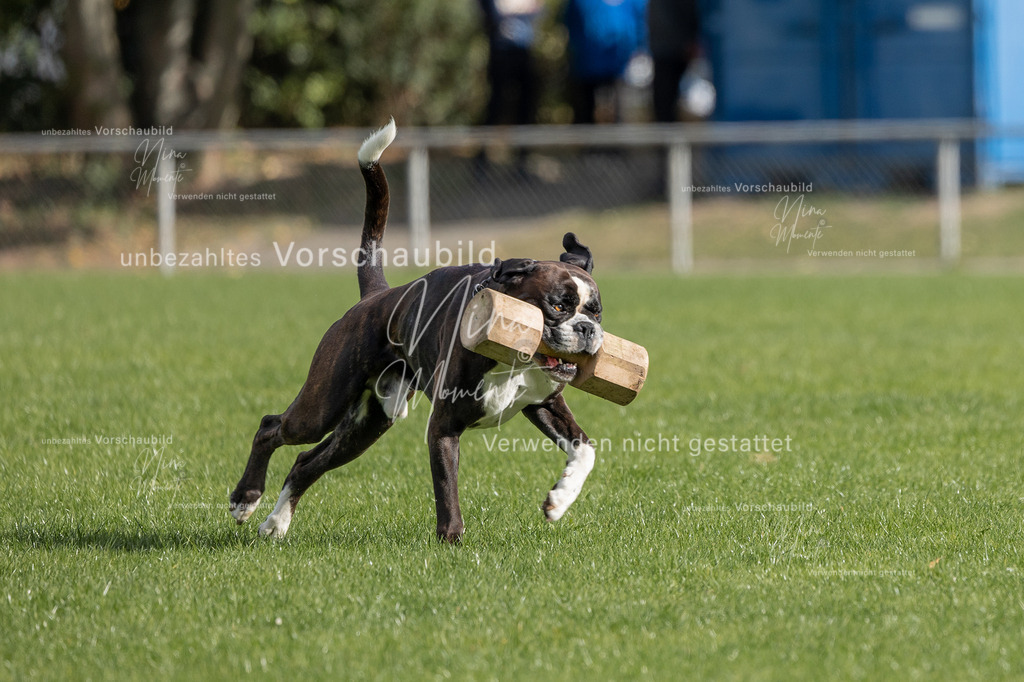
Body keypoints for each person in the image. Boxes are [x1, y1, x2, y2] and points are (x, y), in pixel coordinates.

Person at [564, 0, 648, 124]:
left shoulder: (633, 2)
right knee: (586, 110)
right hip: (588, 64)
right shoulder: (579, 2)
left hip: (622, 66)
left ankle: (618, 141)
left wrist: (638, 51)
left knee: (621, 111)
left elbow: (641, 22)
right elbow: (570, 22)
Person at [478, 0, 543, 127]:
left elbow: (538, 9)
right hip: (501, 50)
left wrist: (513, 8)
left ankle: (524, 145)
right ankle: (485, 144)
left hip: (524, 50)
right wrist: (522, 7)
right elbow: (497, 11)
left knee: (527, 100)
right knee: (497, 100)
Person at [647, 0, 701, 122]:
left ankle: (669, 135)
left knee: (665, 100)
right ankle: (668, 136)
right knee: (664, 100)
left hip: (673, 48)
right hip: (666, 47)